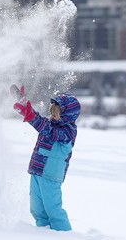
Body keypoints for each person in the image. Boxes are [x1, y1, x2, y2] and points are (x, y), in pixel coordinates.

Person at [13, 88, 81, 231]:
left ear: (67, 116)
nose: (52, 117)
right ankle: (44, 233)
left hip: (50, 175)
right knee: (37, 210)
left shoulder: (68, 132)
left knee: (53, 210)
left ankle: (64, 235)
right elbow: (41, 123)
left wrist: (32, 118)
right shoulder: (51, 125)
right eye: (51, 113)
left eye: (56, 114)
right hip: (37, 171)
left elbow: (48, 131)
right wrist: (27, 108)